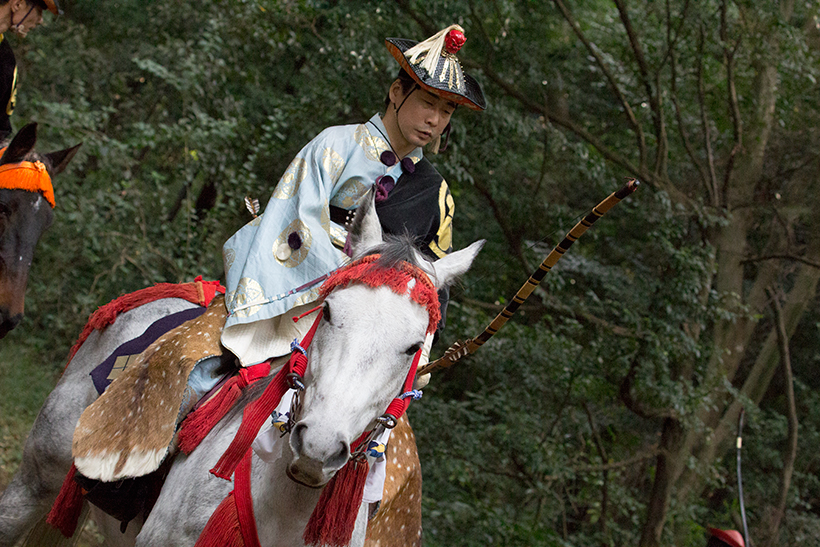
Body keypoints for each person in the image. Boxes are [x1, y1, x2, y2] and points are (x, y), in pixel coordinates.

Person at [220, 24, 486, 368]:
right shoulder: (335, 146)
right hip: (301, 299)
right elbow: (294, 224)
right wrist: (356, 283)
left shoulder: (436, 192)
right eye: (427, 102)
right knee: (214, 368)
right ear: (396, 92)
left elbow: (434, 286)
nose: (434, 119)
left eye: (447, 111)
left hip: (378, 334)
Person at [0, 0, 61, 140]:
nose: (40, 20)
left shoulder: (6, 61)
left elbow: (1, 128)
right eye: (39, 10)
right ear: (17, 4)